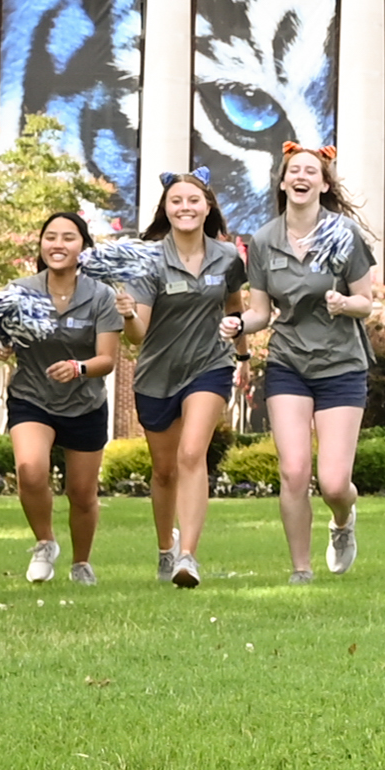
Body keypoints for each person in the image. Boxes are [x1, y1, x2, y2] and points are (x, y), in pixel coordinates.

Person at [242, 145, 381, 583]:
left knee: (335, 483)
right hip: (288, 362)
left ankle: (342, 520)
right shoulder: (263, 240)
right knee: (294, 471)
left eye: (311, 171)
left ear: (323, 184)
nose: (301, 177)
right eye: (294, 171)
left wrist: (345, 303)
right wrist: (237, 323)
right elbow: (260, 312)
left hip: (341, 363)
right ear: (283, 183)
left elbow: (367, 302)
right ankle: (301, 569)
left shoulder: (345, 234)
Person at [0, 211, 122, 586]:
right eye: (51, 237)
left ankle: (81, 563)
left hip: (85, 402)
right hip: (32, 397)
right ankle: (45, 543)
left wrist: (78, 368)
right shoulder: (18, 291)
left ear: (83, 247)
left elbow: (107, 360)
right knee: (30, 470)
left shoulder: (101, 296)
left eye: (68, 237)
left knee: (82, 493)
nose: (58, 244)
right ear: (41, 245)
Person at [118, 169, 247, 589]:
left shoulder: (227, 257)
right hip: (157, 374)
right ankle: (165, 548)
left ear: (207, 207)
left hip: (210, 365)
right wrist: (128, 315)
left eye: (193, 200)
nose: (185, 207)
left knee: (192, 454)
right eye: (176, 201)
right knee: (164, 471)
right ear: (166, 209)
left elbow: (234, 306)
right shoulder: (149, 260)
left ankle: (188, 556)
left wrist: (242, 352)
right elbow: (138, 336)